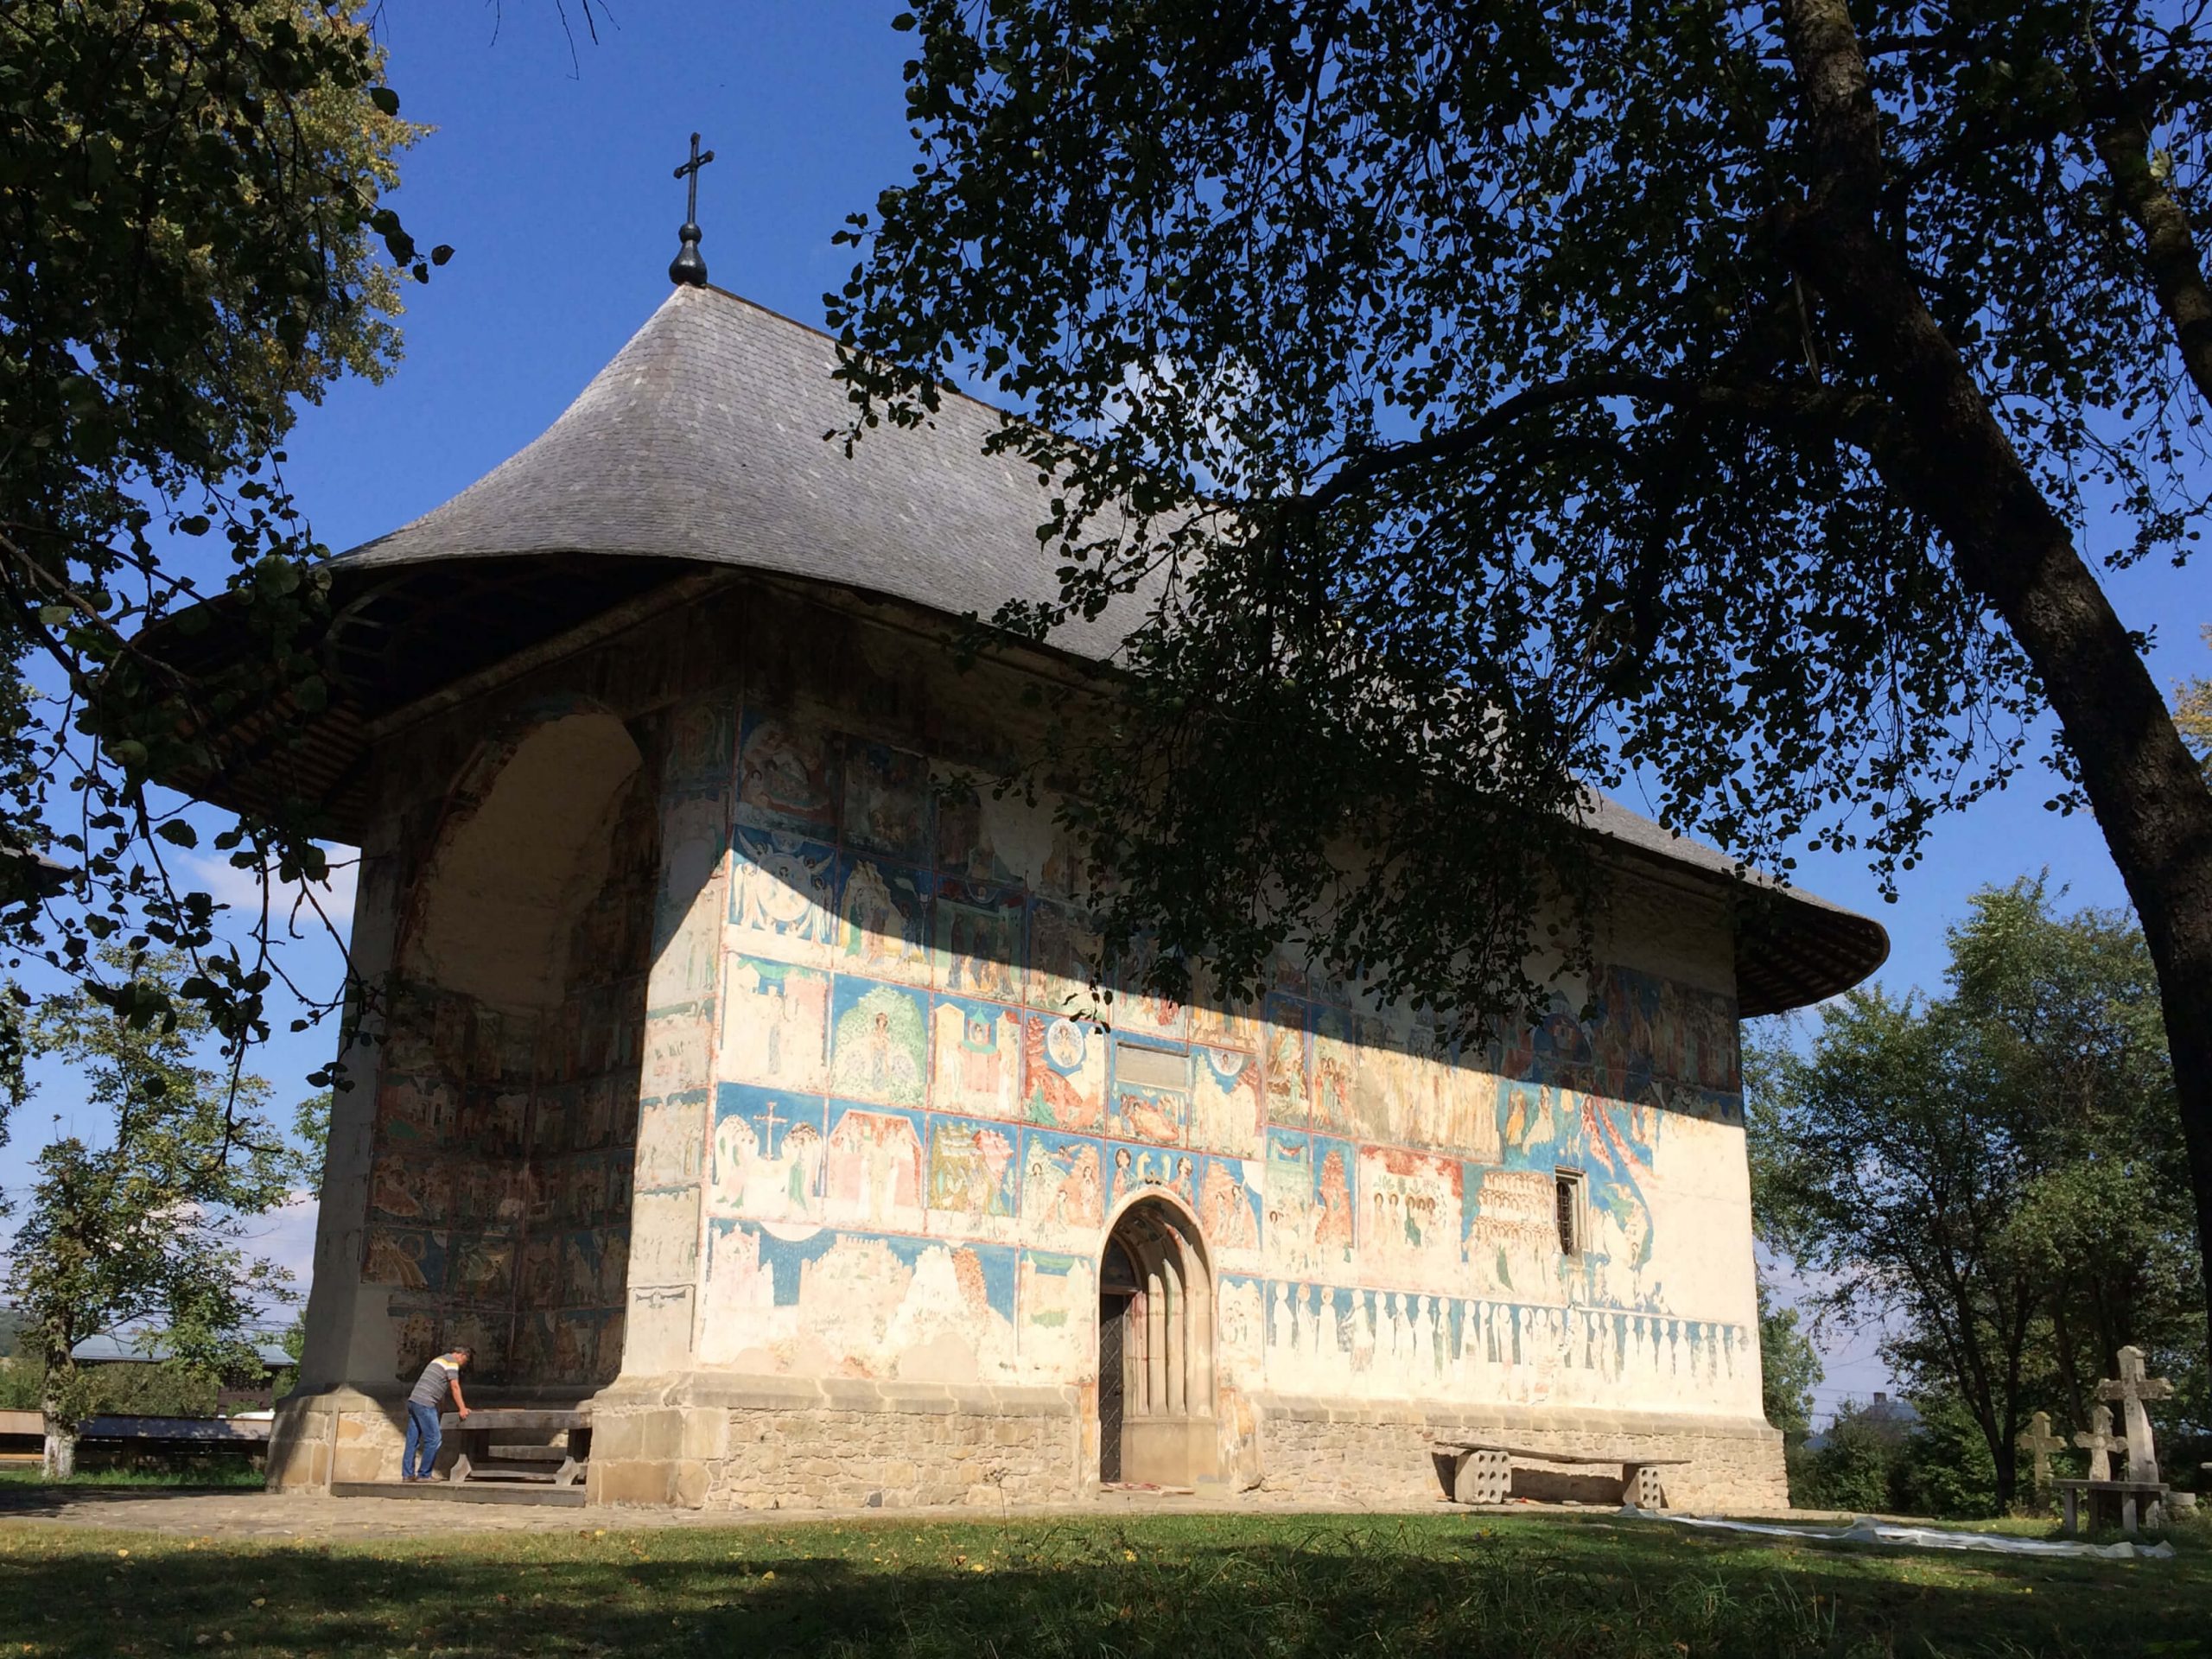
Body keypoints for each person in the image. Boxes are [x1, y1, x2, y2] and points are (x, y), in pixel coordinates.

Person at [400, 1345, 473, 1482]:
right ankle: (424, 1474)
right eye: (465, 1361)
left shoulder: (439, 1360)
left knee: (412, 1441)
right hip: (425, 1403)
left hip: (414, 1401)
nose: (463, 1364)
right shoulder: (451, 1362)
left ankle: (407, 1474)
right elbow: (455, 1387)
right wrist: (462, 1408)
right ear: (461, 1355)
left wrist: (442, 1407)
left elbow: (438, 1386)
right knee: (434, 1439)